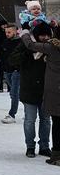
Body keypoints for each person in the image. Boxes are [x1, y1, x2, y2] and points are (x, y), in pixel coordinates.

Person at [19, 22, 60, 165]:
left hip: (53, 91)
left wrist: (25, 33)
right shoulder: (51, 46)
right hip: (44, 90)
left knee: (55, 122)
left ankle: (54, 153)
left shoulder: (51, 47)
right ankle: (49, 151)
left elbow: (30, 45)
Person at [9, 21, 52, 157]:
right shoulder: (26, 45)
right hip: (29, 88)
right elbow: (12, 60)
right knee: (30, 120)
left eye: (47, 35)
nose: (45, 38)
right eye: (42, 35)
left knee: (45, 120)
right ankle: (30, 146)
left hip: (46, 90)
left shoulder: (51, 47)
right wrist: (27, 54)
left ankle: (44, 146)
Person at [0, 24, 22, 124]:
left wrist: (18, 68)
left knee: (14, 93)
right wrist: (3, 69)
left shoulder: (20, 42)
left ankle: (12, 114)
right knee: (16, 94)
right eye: (6, 32)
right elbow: (3, 56)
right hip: (7, 70)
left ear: (15, 32)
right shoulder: (5, 42)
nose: (7, 34)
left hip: (16, 71)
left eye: (9, 32)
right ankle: (29, 109)